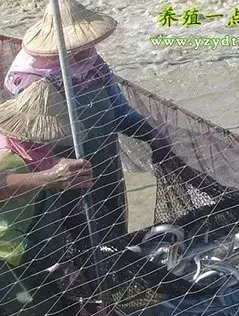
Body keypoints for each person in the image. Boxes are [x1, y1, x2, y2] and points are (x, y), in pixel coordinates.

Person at [4, 0, 173, 242]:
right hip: (62, 178)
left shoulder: (93, 65)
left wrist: (150, 135)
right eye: (79, 46)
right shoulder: (32, 81)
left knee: (114, 231)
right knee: (78, 239)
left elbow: (120, 111)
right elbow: (24, 143)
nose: (89, 49)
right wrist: (54, 170)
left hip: (105, 162)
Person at [0, 78, 97, 316]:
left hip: (37, 256)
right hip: (9, 260)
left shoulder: (33, 155)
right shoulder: (10, 159)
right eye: (41, 138)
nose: (49, 144)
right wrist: (48, 177)